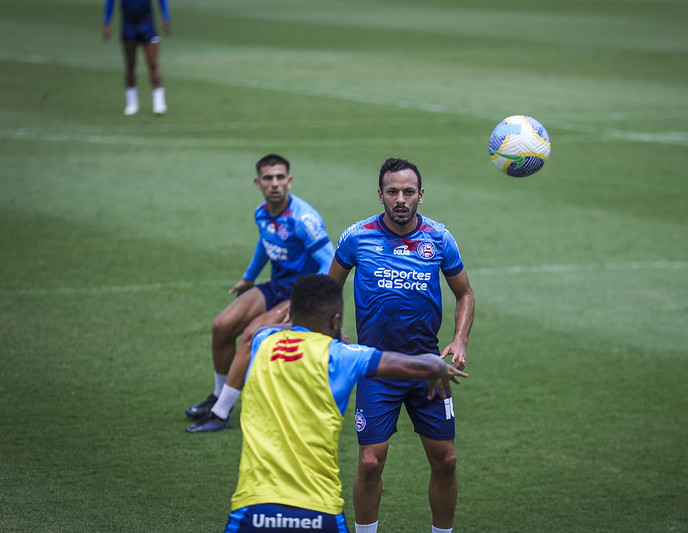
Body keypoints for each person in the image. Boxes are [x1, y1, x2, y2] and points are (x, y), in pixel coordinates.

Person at [224, 274, 468, 533]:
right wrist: (436, 368)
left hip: (254, 511)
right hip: (319, 513)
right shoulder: (344, 356)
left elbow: (260, 331)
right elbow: (419, 364)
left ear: (292, 314)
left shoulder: (263, 344)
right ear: (335, 320)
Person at [328, 158, 475, 533]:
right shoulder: (356, 236)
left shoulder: (439, 238)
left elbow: (465, 294)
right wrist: (332, 331)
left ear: (421, 195)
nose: (400, 199)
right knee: (370, 463)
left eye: (408, 192)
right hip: (377, 367)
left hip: (428, 368)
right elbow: (330, 290)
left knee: (446, 461)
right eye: (392, 191)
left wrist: (459, 340)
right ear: (380, 195)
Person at [185, 154, 335, 433]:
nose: (275, 183)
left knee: (252, 336)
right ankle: (218, 395)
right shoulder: (261, 213)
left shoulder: (304, 219)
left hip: (300, 293)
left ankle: (220, 414)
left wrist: (307, 302)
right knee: (222, 326)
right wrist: (248, 278)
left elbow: (331, 260)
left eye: (280, 177)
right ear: (258, 183)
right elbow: (264, 244)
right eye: (268, 178)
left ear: (289, 181)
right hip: (275, 286)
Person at [102, 0, 171, 115]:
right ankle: (132, 102)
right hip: (128, 26)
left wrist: (166, 17)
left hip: (148, 25)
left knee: (153, 62)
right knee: (130, 64)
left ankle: (159, 101)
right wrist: (107, 22)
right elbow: (110, 2)